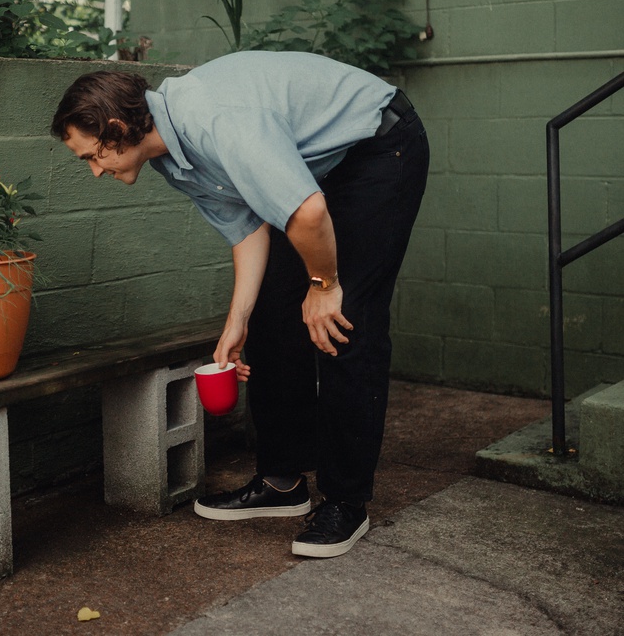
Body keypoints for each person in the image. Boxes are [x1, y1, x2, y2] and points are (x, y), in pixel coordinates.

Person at [51, 50, 429, 558]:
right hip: (316, 166)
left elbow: (308, 211)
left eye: (92, 156)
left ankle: (345, 501)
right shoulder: (170, 156)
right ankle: (281, 480)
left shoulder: (216, 121)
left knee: (343, 319)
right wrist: (237, 321)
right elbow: (250, 227)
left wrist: (323, 285)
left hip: (377, 147)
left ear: (118, 127)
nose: (94, 171)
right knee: (274, 312)